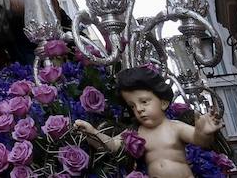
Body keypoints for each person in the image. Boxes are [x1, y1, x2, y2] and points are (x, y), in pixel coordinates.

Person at [75, 66, 223, 178]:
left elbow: (199, 140)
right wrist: (93, 133)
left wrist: (203, 132)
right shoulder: (136, 133)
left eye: (144, 102)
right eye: (132, 106)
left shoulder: (174, 127)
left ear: (163, 103)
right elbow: (112, 145)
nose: (138, 109)